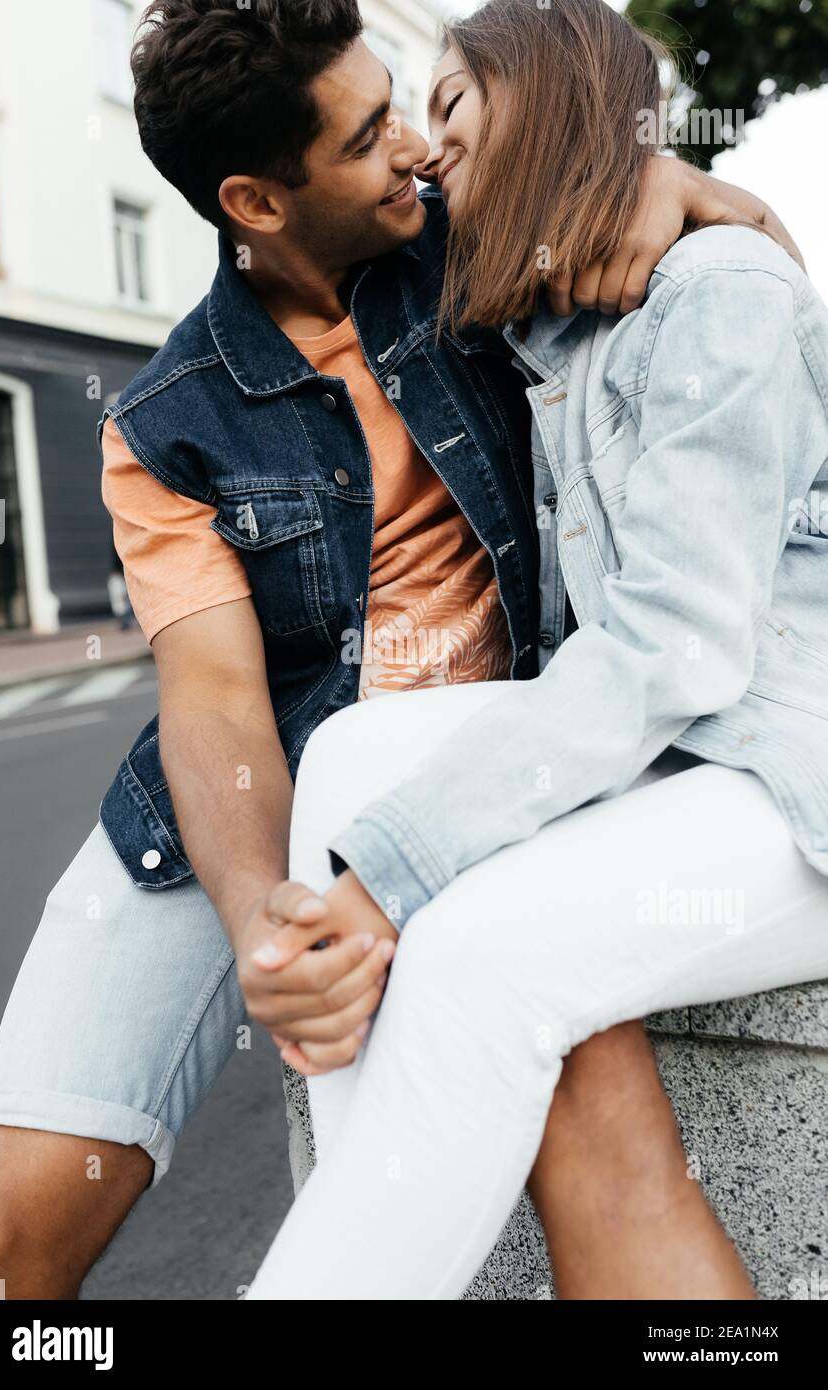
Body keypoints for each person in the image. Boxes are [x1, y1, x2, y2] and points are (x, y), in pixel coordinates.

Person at [0, 0, 801, 1299]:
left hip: (492, 761)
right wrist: (267, 930)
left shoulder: (469, 246)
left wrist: (664, 174)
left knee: (584, 1106)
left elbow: (599, 174)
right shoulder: (163, 418)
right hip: (262, 786)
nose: (414, 146)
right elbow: (216, 705)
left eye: (417, 106)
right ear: (256, 199)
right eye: (367, 135)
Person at [243, 0, 828, 1301]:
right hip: (693, 756)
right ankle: (382, 1241)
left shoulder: (717, 291)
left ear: (556, 104)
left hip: (792, 778)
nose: (422, 146)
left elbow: (669, 650)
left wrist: (392, 878)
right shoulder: (555, 314)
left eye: (450, 109)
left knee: (475, 951)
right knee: (347, 754)